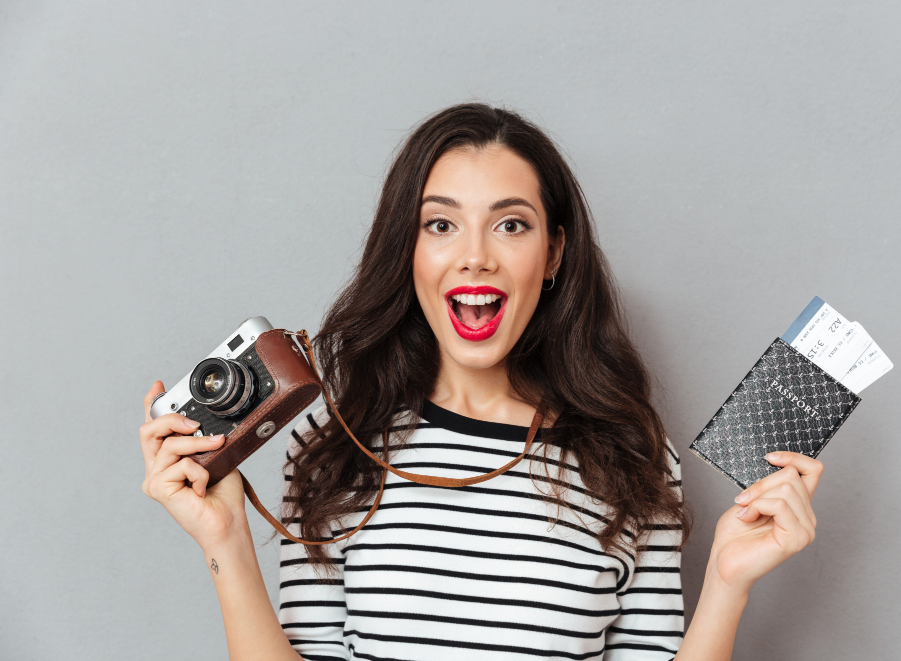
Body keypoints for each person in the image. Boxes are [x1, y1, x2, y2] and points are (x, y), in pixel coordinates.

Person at [139, 103, 822, 661]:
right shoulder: (333, 444)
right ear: (408, 252)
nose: (474, 255)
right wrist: (225, 537)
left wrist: (728, 585)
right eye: (441, 224)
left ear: (552, 252)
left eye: (510, 224)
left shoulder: (632, 456)